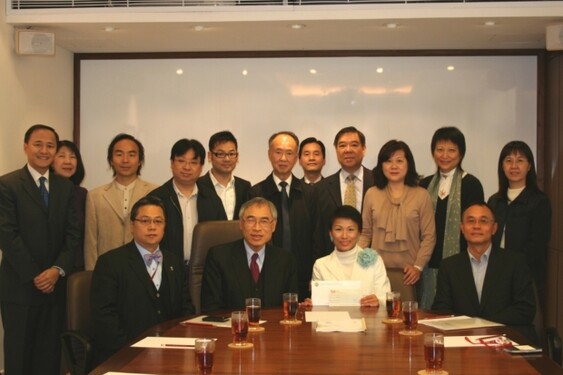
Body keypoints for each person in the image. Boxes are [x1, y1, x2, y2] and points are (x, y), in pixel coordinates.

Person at [0, 124, 80, 374]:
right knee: (19, 356)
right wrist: (36, 274)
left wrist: (57, 270)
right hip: (20, 288)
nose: (44, 150)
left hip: (55, 288)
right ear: (26, 147)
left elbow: (73, 235)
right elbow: (7, 235)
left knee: (49, 358)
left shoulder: (66, 188)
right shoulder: (8, 185)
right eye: (38, 144)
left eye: (50, 145)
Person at [90, 196, 195, 363]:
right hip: (124, 354)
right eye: (145, 221)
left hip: (169, 353)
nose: (152, 227)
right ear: (132, 226)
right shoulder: (110, 262)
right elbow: (105, 317)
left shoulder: (174, 261)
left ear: (165, 226)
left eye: (158, 221)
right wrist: (132, 351)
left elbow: (185, 308)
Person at [432, 202, 536, 341]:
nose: (476, 226)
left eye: (483, 221)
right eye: (470, 221)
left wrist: (483, 323)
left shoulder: (515, 262)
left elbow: (525, 309)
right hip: (463, 342)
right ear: (462, 228)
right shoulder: (449, 266)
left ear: (494, 228)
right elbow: (442, 309)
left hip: (506, 338)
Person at [359, 140, 435, 306]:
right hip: (376, 273)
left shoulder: (421, 195)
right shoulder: (371, 194)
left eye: (399, 161)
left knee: (407, 324)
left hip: (409, 275)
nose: (394, 166)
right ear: (381, 165)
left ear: (409, 164)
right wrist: (355, 260)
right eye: (388, 161)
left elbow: (429, 236)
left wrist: (418, 267)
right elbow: (365, 233)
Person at [419, 127, 484, 308]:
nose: (445, 155)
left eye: (451, 150)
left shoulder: (471, 184)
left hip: (461, 264)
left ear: (461, 153)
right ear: (433, 152)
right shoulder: (424, 185)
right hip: (428, 265)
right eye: (440, 149)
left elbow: (475, 227)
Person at [201, 197, 299, 312]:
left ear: (273, 226)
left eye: (264, 221)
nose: (257, 228)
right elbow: (211, 308)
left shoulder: (286, 260)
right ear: (241, 224)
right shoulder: (219, 257)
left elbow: (291, 307)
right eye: (251, 220)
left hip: (273, 328)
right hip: (233, 327)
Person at [249, 131, 315, 299]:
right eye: (278, 152)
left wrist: (316, 276)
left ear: (297, 157)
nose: (283, 158)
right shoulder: (255, 193)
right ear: (269, 154)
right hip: (265, 276)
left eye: (289, 153)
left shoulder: (310, 193)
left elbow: (318, 237)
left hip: (303, 276)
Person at [487, 141, 551, 303]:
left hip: (526, 277)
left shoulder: (539, 202)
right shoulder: (494, 201)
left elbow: (536, 246)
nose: (514, 166)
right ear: (502, 166)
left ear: (529, 166)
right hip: (494, 276)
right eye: (508, 160)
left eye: (520, 160)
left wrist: (510, 270)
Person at [149, 138, 227, 267]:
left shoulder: (212, 199)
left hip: (204, 270)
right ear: (172, 163)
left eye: (193, 162)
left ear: (201, 167)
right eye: (181, 161)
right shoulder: (157, 199)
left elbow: (222, 238)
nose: (187, 167)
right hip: (166, 269)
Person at [84, 133, 157, 270]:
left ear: (140, 160)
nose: (125, 160)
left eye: (131, 154)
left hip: (145, 269)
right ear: (111, 160)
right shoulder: (95, 196)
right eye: (119, 154)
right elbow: (90, 242)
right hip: (107, 269)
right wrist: (92, 275)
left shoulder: (155, 192)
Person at [313, 126, 375, 257]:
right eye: (342, 145)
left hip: (371, 260)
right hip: (333, 264)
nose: (348, 150)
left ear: (364, 149)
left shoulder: (378, 182)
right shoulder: (321, 188)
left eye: (354, 145)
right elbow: (318, 234)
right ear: (336, 150)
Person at [311, 205, 390, 307]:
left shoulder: (375, 260)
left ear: (359, 233)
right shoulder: (320, 265)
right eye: (338, 229)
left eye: (351, 229)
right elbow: (319, 305)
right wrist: (313, 304)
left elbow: (386, 298)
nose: (344, 236)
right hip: (333, 322)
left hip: (367, 320)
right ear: (330, 233)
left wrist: (378, 301)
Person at [52, 140, 88, 271]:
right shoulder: (43, 192)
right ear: (51, 161)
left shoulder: (82, 194)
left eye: (73, 157)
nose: (68, 161)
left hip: (76, 266)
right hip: (48, 267)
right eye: (61, 156)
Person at [198, 131, 251, 220]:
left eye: (231, 154)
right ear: (210, 156)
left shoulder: (245, 187)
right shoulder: (198, 186)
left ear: (237, 156)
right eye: (221, 154)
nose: (227, 159)